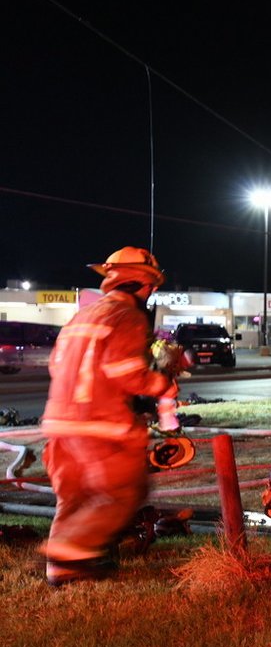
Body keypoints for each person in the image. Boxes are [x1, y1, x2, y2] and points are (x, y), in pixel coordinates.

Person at [40, 247, 178, 586]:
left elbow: (56, 365)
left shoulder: (81, 317)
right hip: (101, 425)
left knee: (74, 496)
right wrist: (164, 384)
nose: (152, 293)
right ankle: (65, 551)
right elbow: (128, 374)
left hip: (59, 423)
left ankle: (63, 569)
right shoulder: (127, 317)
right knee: (123, 492)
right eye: (152, 287)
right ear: (143, 283)